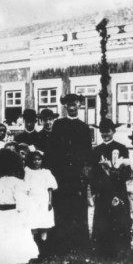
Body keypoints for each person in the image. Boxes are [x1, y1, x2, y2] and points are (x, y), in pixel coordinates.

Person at [44, 93, 92, 253]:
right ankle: (61, 242)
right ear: (65, 107)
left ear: (79, 105)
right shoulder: (58, 125)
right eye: (69, 105)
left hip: (77, 174)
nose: (72, 107)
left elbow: (87, 152)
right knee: (62, 206)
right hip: (61, 173)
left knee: (78, 206)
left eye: (75, 104)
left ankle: (79, 242)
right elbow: (51, 149)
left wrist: (84, 169)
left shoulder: (84, 128)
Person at [0, 149, 38, 264]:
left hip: (0, 216)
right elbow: (22, 204)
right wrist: (25, 220)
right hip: (14, 216)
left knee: (1, 244)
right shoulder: (18, 182)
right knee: (14, 244)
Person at [90, 118, 131, 257]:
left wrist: (114, 174)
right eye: (102, 132)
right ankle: (102, 250)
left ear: (113, 131)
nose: (104, 134)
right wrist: (94, 191)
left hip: (117, 189)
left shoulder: (121, 148)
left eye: (107, 131)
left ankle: (119, 249)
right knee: (102, 219)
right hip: (102, 191)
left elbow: (126, 172)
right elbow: (93, 174)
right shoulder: (96, 150)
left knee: (118, 218)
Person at [24, 150, 57, 258]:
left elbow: (50, 188)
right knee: (33, 224)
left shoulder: (46, 172)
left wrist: (50, 201)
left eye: (39, 159)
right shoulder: (27, 172)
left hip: (43, 200)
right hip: (32, 200)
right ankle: (33, 251)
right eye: (34, 159)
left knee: (44, 223)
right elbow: (25, 188)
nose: (36, 162)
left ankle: (44, 250)